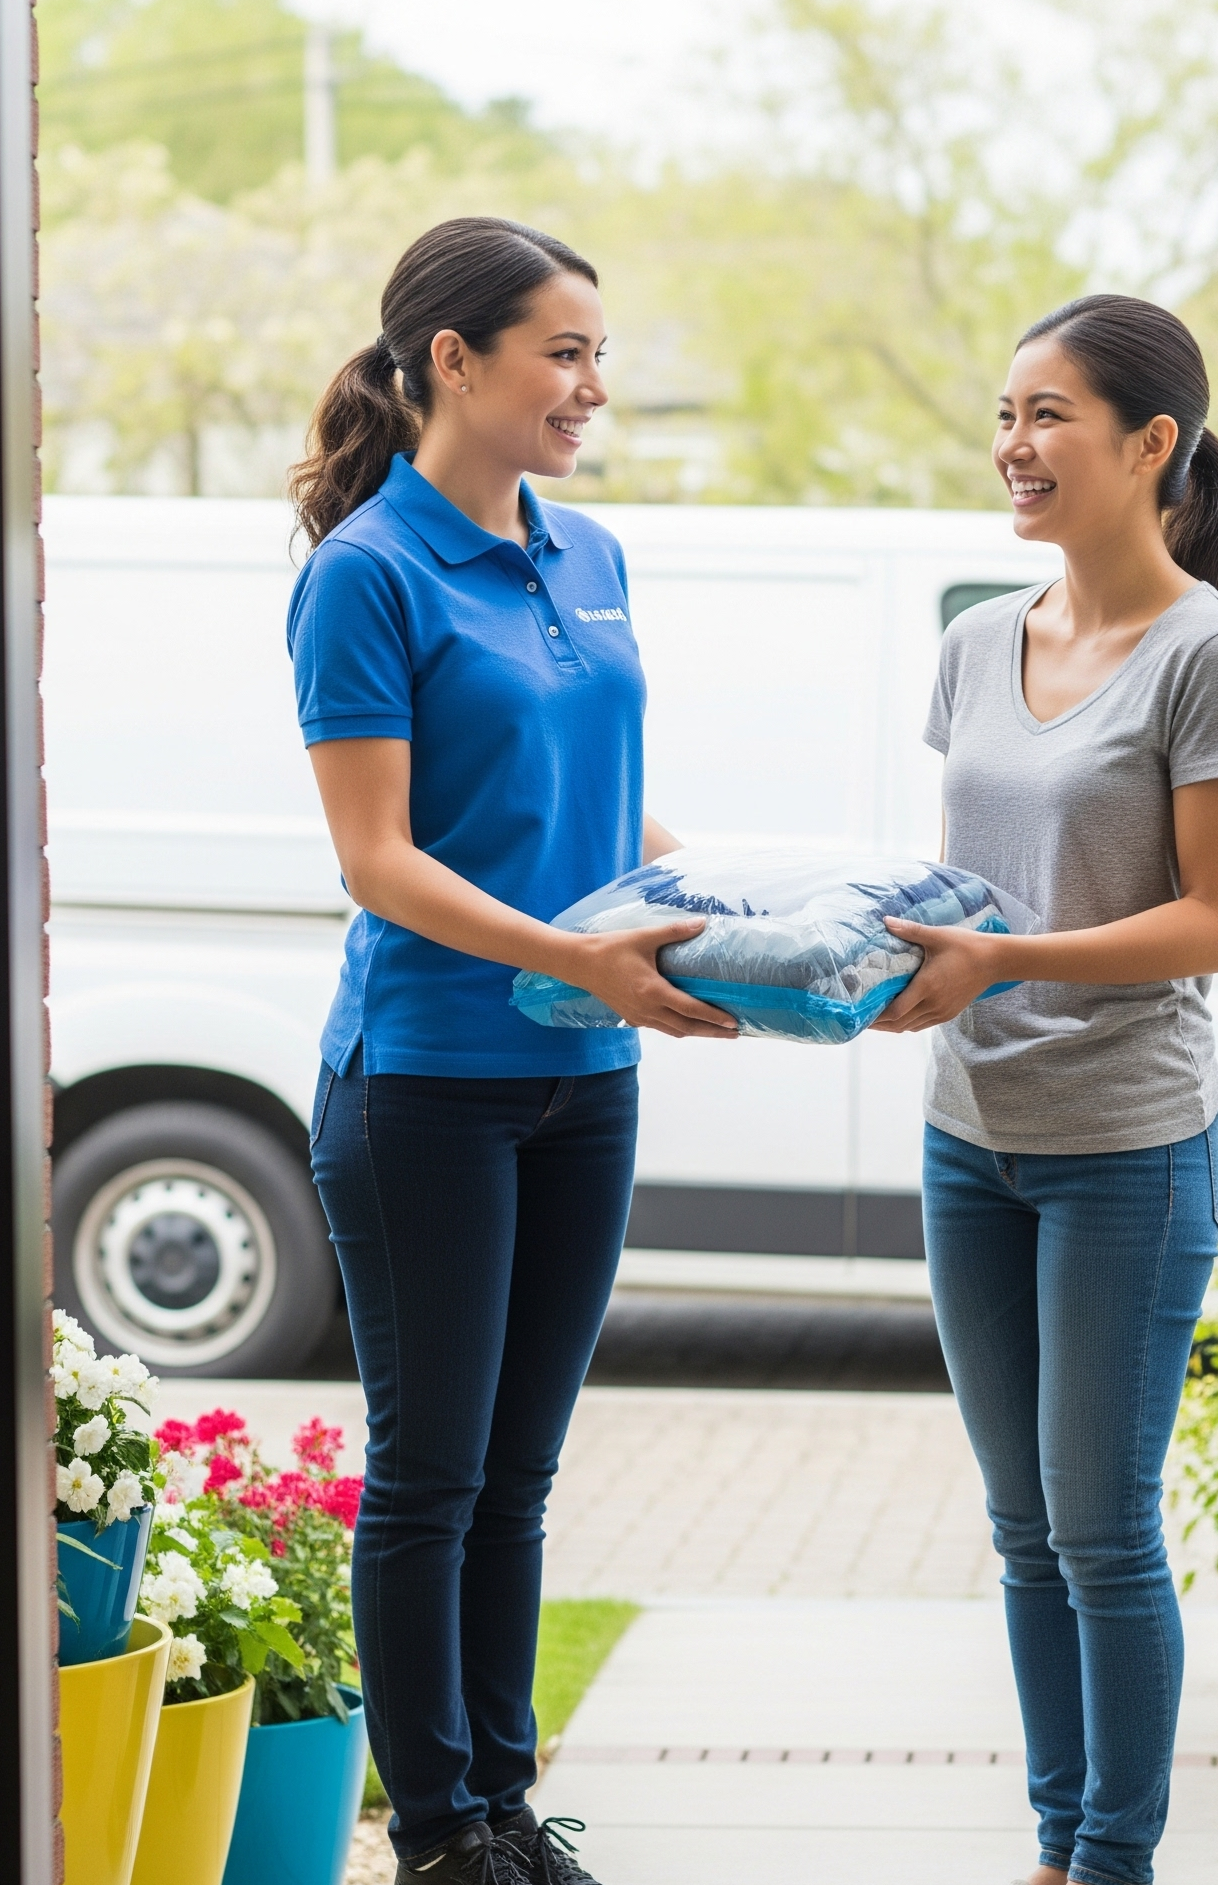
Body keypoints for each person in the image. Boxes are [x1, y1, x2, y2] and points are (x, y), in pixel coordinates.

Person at [286, 216, 737, 1885]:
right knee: (432, 1474)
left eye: (600, 354)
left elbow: (606, 805)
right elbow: (380, 857)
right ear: (451, 362)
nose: (592, 386)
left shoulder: (592, 555)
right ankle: (436, 1834)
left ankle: (500, 1800)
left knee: (523, 1474)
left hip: (582, 1081)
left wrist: (732, 910)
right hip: (424, 1083)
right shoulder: (367, 574)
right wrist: (579, 959)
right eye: (563, 352)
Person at [872, 294, 1218, 1885]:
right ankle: (1060, 1849)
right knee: (1023, 1532)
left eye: (1047, 416)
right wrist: (864, 939)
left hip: (1127, 1144)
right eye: (1005, 415)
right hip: (971, 1135)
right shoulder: (981, 638)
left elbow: (1217, 922)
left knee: (1103, 1531)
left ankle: (1114, 1862)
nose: (1013, 447)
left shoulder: (1211, 655)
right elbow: (981, 872)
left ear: (1151, 444)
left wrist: (1002, 959)